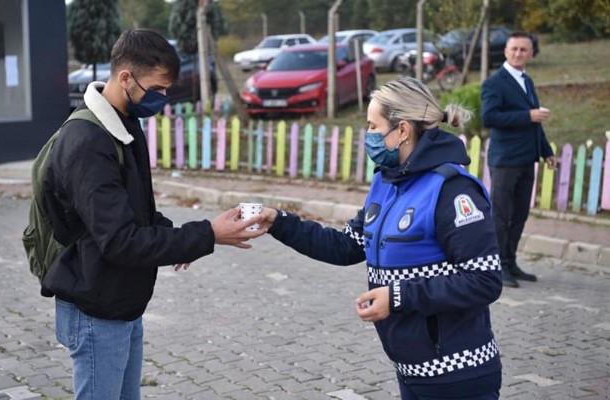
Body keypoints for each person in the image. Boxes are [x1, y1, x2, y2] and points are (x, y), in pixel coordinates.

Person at [41, 29, 265, 400]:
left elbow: (139, 215)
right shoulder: (88, 142)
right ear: (125, 77)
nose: (163, 98)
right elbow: (120, 241)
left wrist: (186, 242)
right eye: (157, 89)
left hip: (121, 303)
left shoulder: (123, 123)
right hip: (97, 311)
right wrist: (207, 234)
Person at [260, 77, 503, 399]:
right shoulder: (386, 183)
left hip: (457, 373)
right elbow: (347, 245)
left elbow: (484, 279)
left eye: (374, 127)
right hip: (412, 369)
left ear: (402, 130)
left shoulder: (453, 190)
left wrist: (398, 296)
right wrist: (279, 221)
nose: (368, 136)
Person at [481, 31, 558, 288]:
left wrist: (546, 151)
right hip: (504, 160)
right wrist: (528, 116)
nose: (518, 54)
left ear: (531, 54)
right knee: (501, 215)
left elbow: (536, 124)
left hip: (527, 159)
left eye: (523, 50)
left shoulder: (527, 81)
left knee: (520, 214)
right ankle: (497, 267)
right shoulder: (494, 83)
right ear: (505, 51)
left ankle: (510, 261)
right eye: (514, 49)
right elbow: (489, 117)